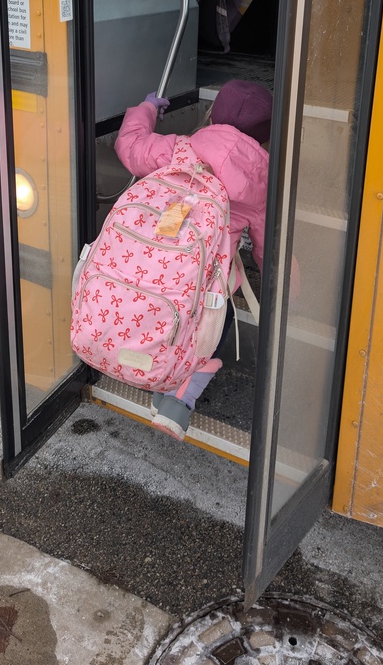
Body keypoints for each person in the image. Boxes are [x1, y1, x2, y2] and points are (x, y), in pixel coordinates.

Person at [114, 79, 272, 440]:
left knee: (163, 312)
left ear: (212, 116)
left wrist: (147, 109)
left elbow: (130, 145)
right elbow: (267, 248)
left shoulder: (178, 150)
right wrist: (288, 288)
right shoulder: (259, 183)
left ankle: (153, 365)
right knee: (217, 323)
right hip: (206, 285)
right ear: (266, 137)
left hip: (153, 266)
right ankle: (177, 402)